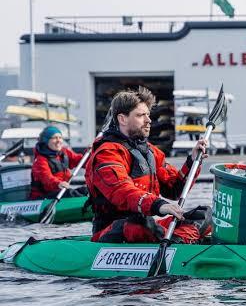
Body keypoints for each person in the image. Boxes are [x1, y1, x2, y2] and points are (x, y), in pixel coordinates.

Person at [85, 87, 211, 243]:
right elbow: (121, 191)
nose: (149, 120)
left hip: (148, 223)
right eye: (140, 115)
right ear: (122, 119)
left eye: (148, 115)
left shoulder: (151, 151)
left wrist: (192, 161)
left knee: (205, 214)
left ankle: (178, 242)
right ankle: (179, 241)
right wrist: (158, 205)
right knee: (139, 223)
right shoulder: (107, 153)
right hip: (114, 229)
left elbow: (175, 189)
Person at [30, 126, 89, 199]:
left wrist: (90, 153)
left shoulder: (64, 152)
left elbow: (81, 161)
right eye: (54, 138)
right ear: (46, 141)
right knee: (69, 193)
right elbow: (47, 178)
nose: (58, 140)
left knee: (86, 190)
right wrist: (58, 184)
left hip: (61, 191)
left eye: (60, 137)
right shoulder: (40, 160)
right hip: (43, 196)